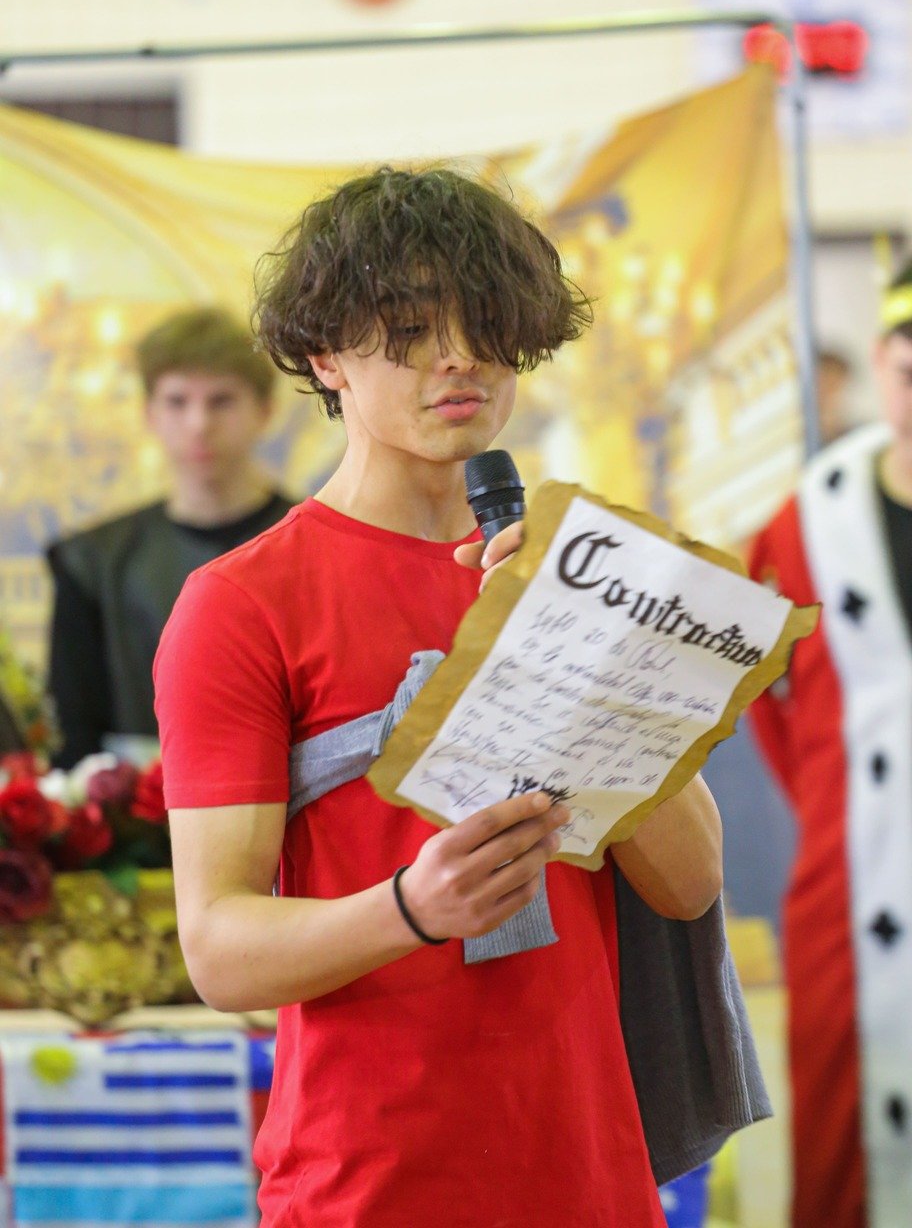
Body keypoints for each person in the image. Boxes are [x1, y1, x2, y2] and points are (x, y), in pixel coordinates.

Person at [154, 168, 750, 1228]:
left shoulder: (575, 568)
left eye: (485, 321)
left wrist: (587, 649)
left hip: (590, 1169)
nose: (459, 355)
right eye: (410, 325)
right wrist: (408, 911)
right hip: (367, 1178)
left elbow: (690, 881)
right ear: (324, 355)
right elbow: (221, 950)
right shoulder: (244, 602)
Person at [749, 257, 912, 1228]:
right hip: (855, 881)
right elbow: (776, 712)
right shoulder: (808, 525)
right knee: (848, 1150)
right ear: (886, 365)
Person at [47, 308, 294, 768]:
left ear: (265, 411)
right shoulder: (91, 562)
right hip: (136, 806)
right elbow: (77, 736)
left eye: (221, 401)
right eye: (178, 401)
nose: (199, 423)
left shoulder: (321, 543)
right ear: (150, 414)